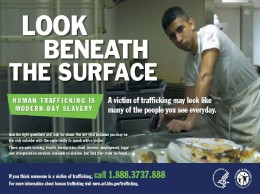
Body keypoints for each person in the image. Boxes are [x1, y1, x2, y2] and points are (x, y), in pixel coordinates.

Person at [152, 6, 260, 149]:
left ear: (191, 24)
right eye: (172, 36)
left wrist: (189, 121)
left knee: (252, 160)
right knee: (229, 158)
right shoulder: (190, 62)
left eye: (180, 29)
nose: (178, 39)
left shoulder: (209, 33)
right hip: (226, 111)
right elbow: (188, 103)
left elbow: (206, 76)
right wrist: (164, 112)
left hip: (250, 106)